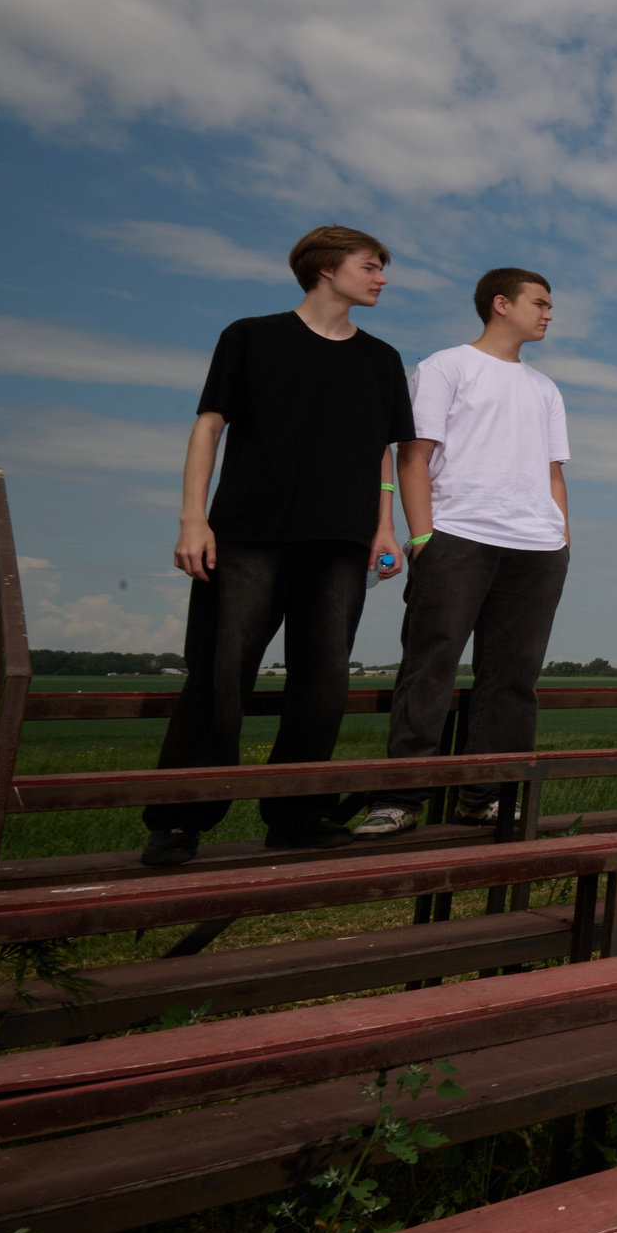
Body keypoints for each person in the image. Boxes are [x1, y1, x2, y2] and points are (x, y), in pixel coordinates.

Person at [141, 226, 415, 866]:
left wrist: (384, 527)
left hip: (341, 541)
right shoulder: (250, 336)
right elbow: (209, 427)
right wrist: (192, 519)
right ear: (326, 270)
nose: (381, 278)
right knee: (219, 675)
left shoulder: (381, 359)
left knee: (323, 682)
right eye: (371, 266)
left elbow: (383, 452)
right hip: (247, 535)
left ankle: (297, 812)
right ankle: (181, 819)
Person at [356, 269, 575, 838]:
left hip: (536, 549)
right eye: (540, 303)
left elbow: (553, 473)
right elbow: (414, 455)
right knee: (429, 666)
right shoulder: (445, 367)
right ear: (501, 305)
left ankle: (487, 796)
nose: (549, 313)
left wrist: (561, 539)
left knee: (512, 679)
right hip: (458, 537)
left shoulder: (545, 389)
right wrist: (424, 536)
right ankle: (401, 798)